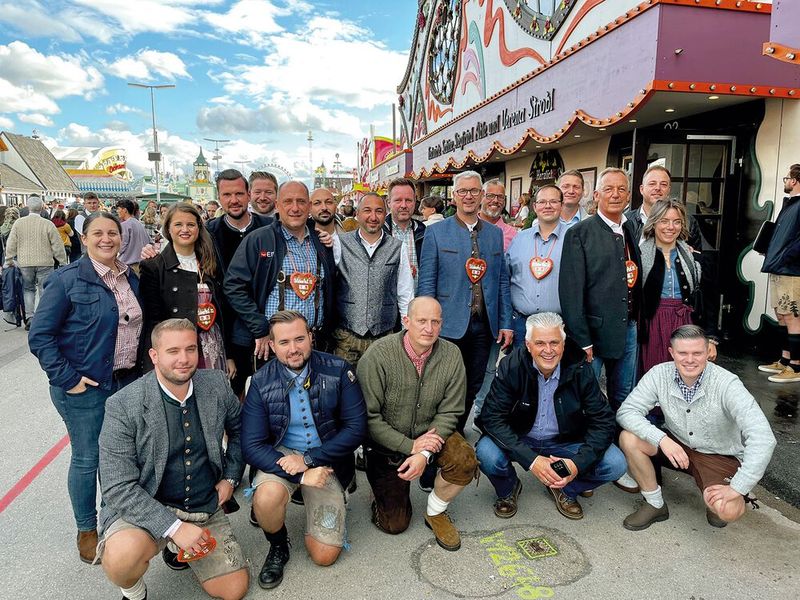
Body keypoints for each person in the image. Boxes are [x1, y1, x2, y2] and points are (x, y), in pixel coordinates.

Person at [97, 319, 248, 600]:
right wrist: (175, 528)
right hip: (149, 504)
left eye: (191, 349)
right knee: (121, 558)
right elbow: (117, 487)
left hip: (204, 503)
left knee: (233, 590)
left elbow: (242, 431)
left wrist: (230, 477)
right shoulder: (122, 405)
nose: (184, 359)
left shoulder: (215, 383)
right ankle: (134, 593)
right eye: (173, 351)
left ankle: (180, 548)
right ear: (154, 355)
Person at [28, 212, 142, 563]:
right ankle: (86, 528)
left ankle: (113, 520)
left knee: (119, 457)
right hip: (85, 388)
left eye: (113, 232)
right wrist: (68, 378)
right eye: (98, 233)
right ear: (84, 237)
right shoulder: (66, 280)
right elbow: (40, 336)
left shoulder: (129, 277)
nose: (106, 239)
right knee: (88, 457)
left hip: (124, 381)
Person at [242, 311, 366, 589]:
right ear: (272, 346)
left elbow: (357, 429)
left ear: (311, 337)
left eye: (300, 338)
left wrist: (309, 461)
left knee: (324, 556)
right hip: (284, 455)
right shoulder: (260, 382)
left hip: (326, 454)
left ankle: (336, 496)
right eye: (284, 342)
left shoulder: (339, 370)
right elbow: (251, 446)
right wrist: (300, 474)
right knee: (266, 498)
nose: (294, 348)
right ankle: (277, 546)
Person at [617, 325, 777, 530]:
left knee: (727, 510)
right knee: (628, 438)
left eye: (697, 353)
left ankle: (717, 494)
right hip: (676, 444)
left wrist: (738, 487)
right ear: (671, 353)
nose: (690, 360)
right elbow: (627, 411)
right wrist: (662, 439)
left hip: (718, 454)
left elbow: (763, 437)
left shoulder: (727, 383)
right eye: (683, 353)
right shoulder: (659, 374)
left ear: (708, 352)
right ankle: (655, 504)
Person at [476, 312, 625, 520]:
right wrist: (532, 460)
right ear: (528, 345)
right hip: (521, 438)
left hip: (564, 442)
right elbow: (491, 417)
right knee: (485, 453)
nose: (548, 350)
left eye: (554, 342)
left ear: (563, 345)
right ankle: (508, 488)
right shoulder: (511, 366)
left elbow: (603, 420)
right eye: (540, 343)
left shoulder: (581, 368)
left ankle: (566, 489)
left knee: (616, 463)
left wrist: (577, 465)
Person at [357, 297, 478, 551]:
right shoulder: (378, 355)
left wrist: (423, 452)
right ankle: (380, 494)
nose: (428, 328)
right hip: (386, 442)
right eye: (422, 321)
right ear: (406, 321)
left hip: (432, 434)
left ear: (441, 324)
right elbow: (369, 418)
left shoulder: (452, 354)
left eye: (435, 322)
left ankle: (435, 511)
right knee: (394, 524)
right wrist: (409, 445)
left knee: (465, 459)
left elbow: (451, 410)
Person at [418, 170, 513, 433]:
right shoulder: (436, 233)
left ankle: (456, 432)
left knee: (474, 382)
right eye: (463, 191)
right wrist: (425, 324)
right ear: (454, 197)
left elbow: (502, 281)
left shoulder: (494, 234)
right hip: (447, 324)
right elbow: (426, 283)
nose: (469, 196)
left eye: (474, 191)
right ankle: (439, 433)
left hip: (483, 325)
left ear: (482, 195)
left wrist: (505, 322)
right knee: (444, 383)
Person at [224, 180, 336, 376]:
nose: (295, 208)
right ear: (277, 205)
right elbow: (233, 286)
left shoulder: (321, 242)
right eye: (288, 201)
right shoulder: (259, 240)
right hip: (274, 347)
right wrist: (260, 328)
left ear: (309, 206)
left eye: (301, 201)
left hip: (313, 344)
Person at [560, 168, 642, 412]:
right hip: (592, 335)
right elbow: (571, 292)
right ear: (596, 195)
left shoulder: (630, 230)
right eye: (608, 189)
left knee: (624, 395)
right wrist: (582, 339)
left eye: (621, 190)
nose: (615, 195)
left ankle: (619, 442)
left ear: (628, 196)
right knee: (587, 397)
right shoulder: (579, 233)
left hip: (628, 329)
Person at [139, 203, 234, 376]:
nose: (185, 229)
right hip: (177, 350)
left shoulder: (209, 263)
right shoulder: (153, 266)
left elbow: (223, 313)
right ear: (168, 228)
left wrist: (230, 355)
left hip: (212, 346)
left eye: (190, 224)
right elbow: (152, 320)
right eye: (178, 224)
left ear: (198, 227)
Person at [331, 193, 414, 370]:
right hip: (346, 336)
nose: (373, 217)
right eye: (367, 211)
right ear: (358, 214)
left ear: (385, 214)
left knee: (380, 389)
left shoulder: (398, 247)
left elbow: (405, 292)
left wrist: (407, 330)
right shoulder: (339, 243)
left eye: (379, 211)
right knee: (345, 389)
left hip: (384, 336)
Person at [639, 199, 715, 374]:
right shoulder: (640, 256)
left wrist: (710, 338)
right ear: (654, 223)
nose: (670, 227)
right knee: (655, 375)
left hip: (685, 323)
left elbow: (707, 299)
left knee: (686, 375)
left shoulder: (692, 258)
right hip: (652, 325)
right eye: (664, 221)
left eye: (676, 221)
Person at [505, 185, 566, 348]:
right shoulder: (519, 239)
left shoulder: (574, 238)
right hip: (521, 325)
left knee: (558, 373)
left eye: (553, 201)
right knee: (520, 372)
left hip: (560, 325)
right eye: (542, 202)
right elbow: (506, 278)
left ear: (561, 205)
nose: (548, 206)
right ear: (534, 206)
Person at [758, 163, 800, 383]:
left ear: (794, 180)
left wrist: (785, 257)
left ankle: (796, 366)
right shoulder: (791, 204)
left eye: (787, 178)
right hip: (779, 267)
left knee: (793, 317)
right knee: (782, 315)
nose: (785, 181)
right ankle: (785, 361)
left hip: (791, 270)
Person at [4, 195, 67, 328]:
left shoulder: (19, 223)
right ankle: (44, 317)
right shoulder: (47, 224)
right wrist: (62, 262)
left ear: (27, 207)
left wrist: (9, 259)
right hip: (45, 262)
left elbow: (11, 243)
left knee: (28, 289)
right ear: (42, 207)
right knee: (44, 290)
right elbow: (57, 245)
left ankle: (30, 317)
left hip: (25, 262)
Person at [624, 165, 702, 248]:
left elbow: (696, 258)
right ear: (641, 189)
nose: (657, 188)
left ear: (669, 190)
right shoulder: (625, 221)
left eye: (663, 184)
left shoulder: (688, 223)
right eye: (652, 184)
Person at [383, 178, 426, 289]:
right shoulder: (379, 232)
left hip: (419, 301)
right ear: (388, 203)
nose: (403, 205)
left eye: (408, 200)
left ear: (414, 202)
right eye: (398, 200)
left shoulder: (424, 231)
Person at [478, 179, 517, 251]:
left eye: (500, 197)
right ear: (481, 198)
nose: (495, 200)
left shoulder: (513, 234)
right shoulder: (467, 227)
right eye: (490, 196)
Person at [116, 199, 151, 271]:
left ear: (125, 210)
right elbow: (149, 241)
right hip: (142, 264)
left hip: (129, 266)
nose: (117, 211)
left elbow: (121, 247)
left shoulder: (124, 225)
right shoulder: (139, 224)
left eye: (118, 209)